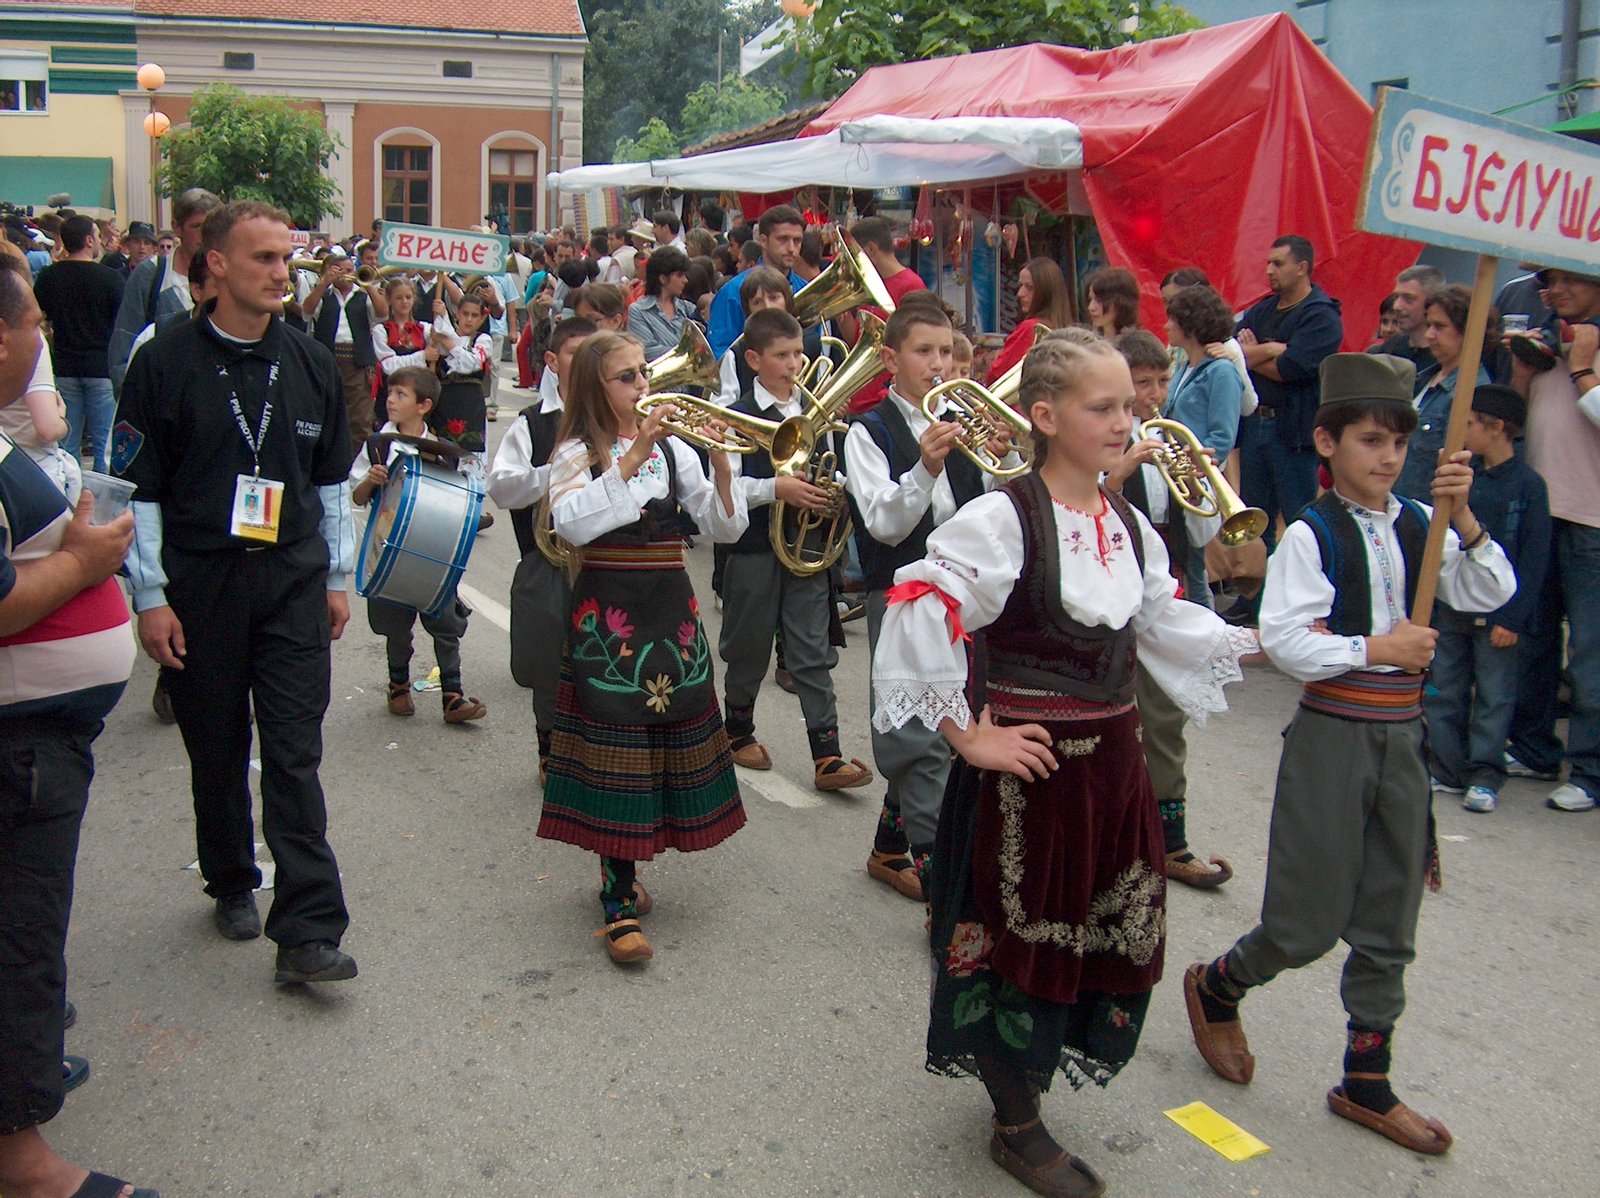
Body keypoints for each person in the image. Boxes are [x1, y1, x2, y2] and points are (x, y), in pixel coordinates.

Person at [873, 330, 1254, 1198]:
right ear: (1045, 417)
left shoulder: (1127, 525)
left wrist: (1277, 645)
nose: (1128, 420)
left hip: (1112, 775)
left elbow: (1161, 625)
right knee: (1023, 943)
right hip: (1033, 784)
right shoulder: (1005, 518)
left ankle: (1030, 1088)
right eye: (1104, 406)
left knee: (1099, 931)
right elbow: (921, 604)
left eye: (1130, 403)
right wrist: (970, 736)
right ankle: (1016, 1122)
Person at [1183, 354, 1514, 1158]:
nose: (1389, 457)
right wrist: (1380, 645)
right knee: (1305, 920)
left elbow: (1492, 590)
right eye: (1371, 440)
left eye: (1399, 441)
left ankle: (1367, 1077)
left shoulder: (1419, 524)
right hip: (1334, 734)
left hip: (1404, 739)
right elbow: (1291, 641)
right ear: (1327, 442)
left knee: (1392, 911)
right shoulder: (1312, 531)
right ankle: (1220, 982)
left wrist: (1463, 522)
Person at [116, 200, 359, 986]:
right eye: (263, 260)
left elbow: (330, 482)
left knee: (294, 752)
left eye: (286, 260)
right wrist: (149, 595)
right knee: (217, 748)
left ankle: (309, 930)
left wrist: (334, 577)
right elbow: (138, 488)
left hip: (289, 578)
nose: (282, 274)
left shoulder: (312, 361)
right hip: (200, 582)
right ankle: (229, 877)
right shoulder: (163, 361)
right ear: (216, 263)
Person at [0, 251, 158, 1198]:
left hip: (39, 736)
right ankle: (23, 1165)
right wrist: (89, 560)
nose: (42, 340)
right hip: (20, 746)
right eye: (33, 326)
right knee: (20, 937)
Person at [537, 330, 750, 965]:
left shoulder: (677, 451)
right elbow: (571, 524)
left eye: (643, 375)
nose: (641, 388)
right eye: (627, 378)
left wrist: (720, 467)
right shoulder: (577, 451)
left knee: (663, 744)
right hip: (613, 615)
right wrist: (629, 461)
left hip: (670, 608)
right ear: (595, 389)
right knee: (619, 748)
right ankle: (617, 898)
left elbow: (722, 528)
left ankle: (629, 869)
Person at [843, 301, 988, 904]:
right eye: (923, 351)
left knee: (956, 714)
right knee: (920, 733)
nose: (938, 364)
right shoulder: (867, 432)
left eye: (947, 352)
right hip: (902, 594)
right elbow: (882, 524)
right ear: (890, 359)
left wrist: (1003, 458)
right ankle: (939, 874)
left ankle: (888, 845)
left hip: (967, 593)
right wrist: (926, 466)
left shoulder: (967, 420)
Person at [718, 307, 873, 791]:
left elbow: (833, 467)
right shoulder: (736, 416)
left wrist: (838, 493)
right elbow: (719, 491)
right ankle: (737, 730)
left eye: (798, 355)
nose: (793, 365)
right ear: (754, 359)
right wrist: (775, 489)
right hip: (752, 548)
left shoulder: (816, 411)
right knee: (749, 644)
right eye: (781, 356)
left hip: (805, 548)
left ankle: (826, 755)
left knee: (810, 648)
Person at [1109, 328, 1235, 887]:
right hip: (1109, 591)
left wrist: (1203, 479)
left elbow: (1203, 527)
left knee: (1164, 717)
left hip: (1167, 588)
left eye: (1162, 380)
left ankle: (1171, 839)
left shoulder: (1173, 442)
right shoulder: (1105, 442)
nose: (1154, 394)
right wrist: (1124, 469)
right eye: (1142, 383)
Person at [1425, 384, 1550, 813]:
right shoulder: (1462, 477)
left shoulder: (1529, 486)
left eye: (1471, 423)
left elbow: (1535, 558)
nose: (1462, 431)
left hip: (1498, 613)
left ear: (1497, 428)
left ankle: (1485, 773)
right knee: (1445, 691)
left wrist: (1513, 618)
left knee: (1495, 696)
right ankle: (1447, 767)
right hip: (1452, 608)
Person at [1504, 266, 1600, 812]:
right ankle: (1535, 747)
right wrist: (1523, 371)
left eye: (1570, 281)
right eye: (1549, 283)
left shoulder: (1584, 351)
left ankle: (1588, 770)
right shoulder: (1549, 344)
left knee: (1588, 652)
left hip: (1591, 520)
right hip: (1541, 514)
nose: (1555, 291)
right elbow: (1510, 427)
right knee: (1533, 640)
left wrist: (1583, 367)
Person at [487, 315, 594, 779]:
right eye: (575, 353)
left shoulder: (625, 415)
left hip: (608, 559)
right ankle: (550, 745)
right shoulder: (534, 424)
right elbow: (504, 489)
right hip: (550, 561)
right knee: (552, 658)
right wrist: (559, 470)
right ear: (552, 361)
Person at [351, 365, 486, 723]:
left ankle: (453, 696)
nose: (390, 400)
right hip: (389, 550)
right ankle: (398, 686)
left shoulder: (443, 449)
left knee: (443, 620)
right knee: (396, 621)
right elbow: (357, 496)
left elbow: (465, 495)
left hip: (433, 551)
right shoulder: (378, 446)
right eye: (390, 393)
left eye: (400, 395)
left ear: (423, 405)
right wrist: (371, 480)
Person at [1233, 234, 1344, 621]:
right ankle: (1255, 598)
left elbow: (1294, 367)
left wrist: (1255, 354)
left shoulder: (1321, 315)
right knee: (1255, 518)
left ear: (1302, 267)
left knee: (1299, 522)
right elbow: (1234, 356)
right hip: (1256, 427)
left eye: (1278, 263)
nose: (1269, 271)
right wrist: (1270, 349)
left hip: (1293, 433)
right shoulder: (1262, 311)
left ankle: (1300, 606)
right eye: (1268, 263)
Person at [1161, 284, 1245, 609]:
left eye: (1173, 319)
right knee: (1182, 556)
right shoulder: (1183, 366)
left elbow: (1223, 435)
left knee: (1194, 562)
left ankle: (1204, 620)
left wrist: (1198, 472)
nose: (1167, 326)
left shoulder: (1221, 371)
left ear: (1189, 324)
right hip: (1175, 472)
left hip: (1196, 478)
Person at [33, 215, 126, 475]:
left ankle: (70, 494)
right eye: (97, 235)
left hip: (64, 365)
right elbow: (122, 324)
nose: (99, 240)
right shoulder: (111, 278)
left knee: (67, 441)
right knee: (103, 442)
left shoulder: (50, 276)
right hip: (100, 367)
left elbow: (39, 317)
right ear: (88, 240)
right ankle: (100, 499)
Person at [108, 189, 222, 395]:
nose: (206, 234)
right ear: (177, 228)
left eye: (212, 226)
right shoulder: (151, 274)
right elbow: (124, 345)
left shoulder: (229, 275)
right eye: (197, 226)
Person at [1393, 284, 1495, 503]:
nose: (1429, 334)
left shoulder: (1475, 392)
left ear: (1468, 331)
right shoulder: (1420, 379)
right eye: (1428, 325)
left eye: (1440, 326)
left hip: (1431, 515)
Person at [838, 216, 929, 414]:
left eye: (855, 255)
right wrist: (840, 311)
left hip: (883, 398)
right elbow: (858, 341)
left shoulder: (910, 285)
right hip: (860, 396)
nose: (852, 262)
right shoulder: (866, 284)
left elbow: (916, 344)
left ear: (871, 249)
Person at [304, 253, 382, 450]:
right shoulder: (325, 294)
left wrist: (369, 285)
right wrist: (324, 283)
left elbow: (383, 313)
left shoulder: (362, 296)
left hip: (357, 361)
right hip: (328, 359)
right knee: (327, 410)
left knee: (358, 418)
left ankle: (357, 461)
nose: (347, 275)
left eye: (349, 270)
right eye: (341, 271)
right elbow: (306, 311)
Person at [707, 205, 806, 358]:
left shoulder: (805, 287)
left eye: (797, 240)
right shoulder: (732, 292)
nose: (792, 248)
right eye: (783, 239)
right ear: (763, 241)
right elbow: (720, 353)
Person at [427, 290, 492, 487]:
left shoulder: (482, 340)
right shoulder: (445, 335)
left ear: (481, 318)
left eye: (474, 315)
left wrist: (446, 342)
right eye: (465, 314)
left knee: (470, 458)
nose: (469, 320)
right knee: (443, 455)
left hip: (470, 404)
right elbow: (441, 332)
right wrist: (441, 315)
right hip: (445, 403)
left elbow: (472, 362)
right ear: (458, 314)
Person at [986, 257, 1074, 384]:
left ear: (1046, 291)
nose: (1020, 293)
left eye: (1029, 287)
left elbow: (996, 374)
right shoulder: (1067, 330)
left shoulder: (1030, 327)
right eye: (1020, 286)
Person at [372, 274, 430, 428]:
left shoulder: (425, 329)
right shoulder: (381, 330)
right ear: (390, 299)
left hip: (417, 395)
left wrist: (442, 314)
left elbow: (449, 341)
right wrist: (423, 356)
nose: (404, 302)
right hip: (390, 393)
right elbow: (389, 366)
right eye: (399, 298)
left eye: (408, 297)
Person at [1370, 264, 1444, 376]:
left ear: (1432, 301)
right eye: (1396, 297)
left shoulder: (1444, 358)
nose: (1397, 306)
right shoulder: (1391, 347)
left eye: (1408, 298)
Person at [625, 245, 691, 361]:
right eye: (680, 275)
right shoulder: (638, 311)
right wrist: (688, 352)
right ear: (663, 279)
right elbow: (647, 351)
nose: (685, 280)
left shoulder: (688, 308)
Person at [1084, 266, 1141, 341]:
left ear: (1121, 302)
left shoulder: (1140, 345)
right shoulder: (1086, 345)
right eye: (1090, 299)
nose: (1091, 307)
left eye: (1099, 300)